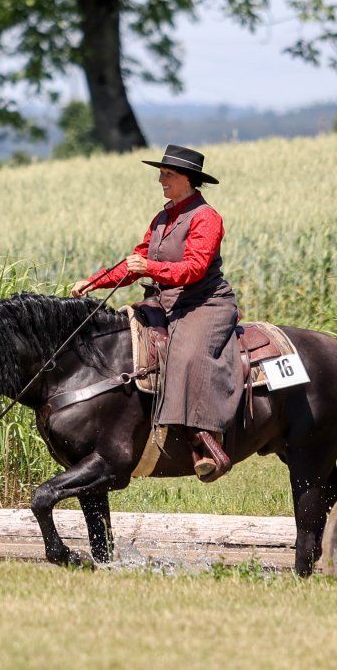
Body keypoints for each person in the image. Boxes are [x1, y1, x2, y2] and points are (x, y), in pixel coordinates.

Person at [70, 144, 241, 482]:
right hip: (165, 301)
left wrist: (149, 267)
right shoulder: (162, 218)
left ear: (187, 179)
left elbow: (193, 269)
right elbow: (135, 262)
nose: (161, 180)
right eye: (161, 174)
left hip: (204, 302)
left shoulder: (206, 217)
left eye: (168, 174)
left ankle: (206, 440)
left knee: (187, 355)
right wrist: (94, 282)